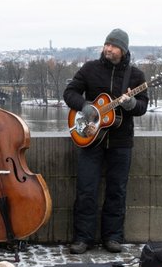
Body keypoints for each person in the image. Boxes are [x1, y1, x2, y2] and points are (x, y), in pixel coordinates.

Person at [63, 28, 148, 254]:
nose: (108, 49)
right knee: (86, 190)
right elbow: (69, 93)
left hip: (121, 142)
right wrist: (85, 106)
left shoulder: (136, 76)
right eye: (106, 44)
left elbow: (142, 107)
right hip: (90, 140)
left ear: (123, 50)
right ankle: (83, 238)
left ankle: (113, 237)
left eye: (113, 46)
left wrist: (130, 104)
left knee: (117, 191)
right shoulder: (90, 69)